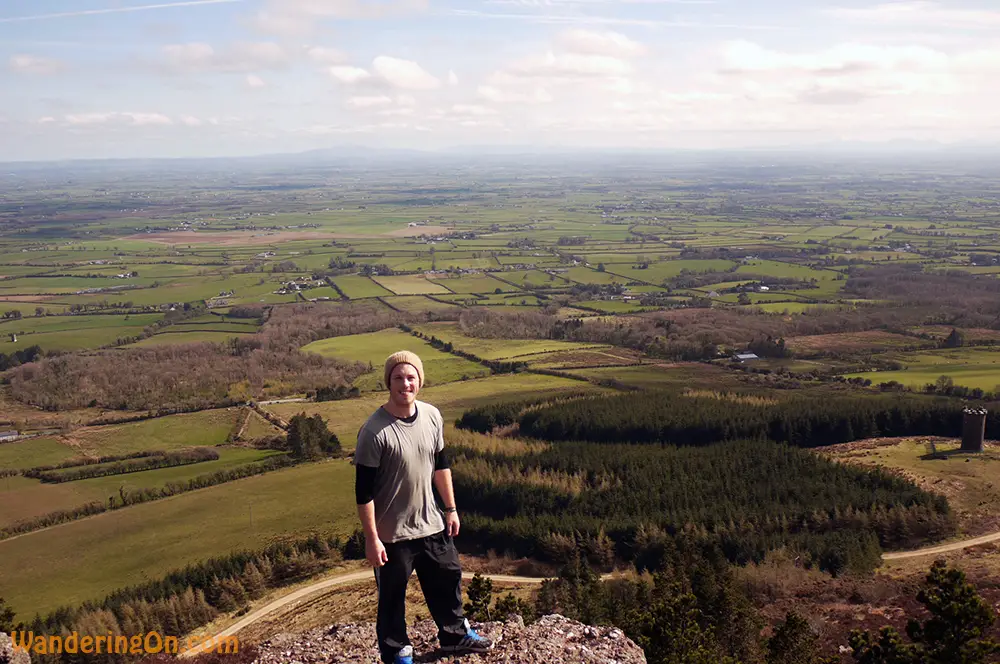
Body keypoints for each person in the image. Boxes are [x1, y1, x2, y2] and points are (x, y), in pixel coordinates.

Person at [354, 350, 495, 664]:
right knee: (392, 596)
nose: (405, 383)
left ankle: (455, 637)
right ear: (388, 382)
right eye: (398, 377)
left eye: (411, 377)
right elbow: (363, 493)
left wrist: (451, 508)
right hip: (392, 532)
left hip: (431, 522)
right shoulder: (374, 431)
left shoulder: (432, 416)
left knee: (448, 577)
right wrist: (372, 538)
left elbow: (440, 465)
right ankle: (396, 651)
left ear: (419, 381)